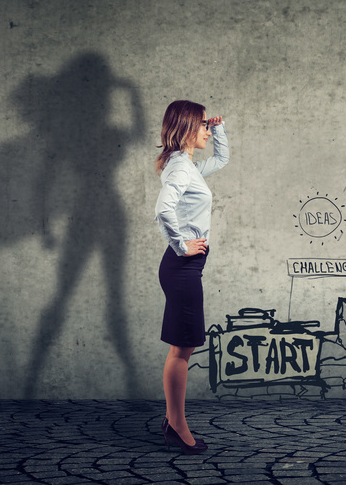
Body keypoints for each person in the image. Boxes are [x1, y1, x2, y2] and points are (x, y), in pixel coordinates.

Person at [154, 100, 229, 454]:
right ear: (185, 127)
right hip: (182, 267)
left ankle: (173, 420)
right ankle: (177, 425)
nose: (206, 130)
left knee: (182, 346)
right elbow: (163, 209)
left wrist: (220, 130)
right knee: (183, 349)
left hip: (184, 267)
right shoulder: (181, 168)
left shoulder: (187, 165)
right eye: (202, 125)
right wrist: (182, 245)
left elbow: (222, 160)